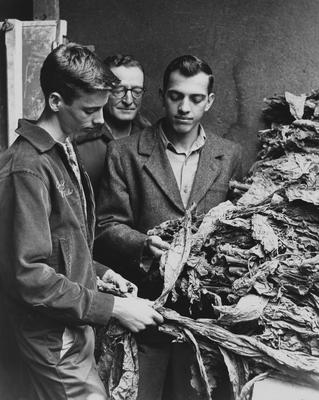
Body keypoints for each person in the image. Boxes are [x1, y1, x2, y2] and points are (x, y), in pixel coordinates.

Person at [0, 43, 163, 400]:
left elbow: (64, 246)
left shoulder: (64, 151)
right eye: (89, 109)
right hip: (50, 338)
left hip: (73, 327)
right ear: (56, 102)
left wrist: (102, 275)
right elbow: (29, 276)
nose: (101, 119)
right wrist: (115, 308)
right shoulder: (27, 168)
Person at [94, 55, 243, 400]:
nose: (184, 107)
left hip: (205, 321)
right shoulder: (124, 152)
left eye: (195, 98)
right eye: (176, 96)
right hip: (144, 311)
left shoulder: (230, 154)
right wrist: (143, 245)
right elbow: (105, 226)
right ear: (162, 96)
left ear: (210, 101)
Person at [76, 54, 151, 199]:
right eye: (118, 91)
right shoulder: (78, 139)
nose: (128, 100)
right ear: (101, 91)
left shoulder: (152, 139)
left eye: (136, 91)